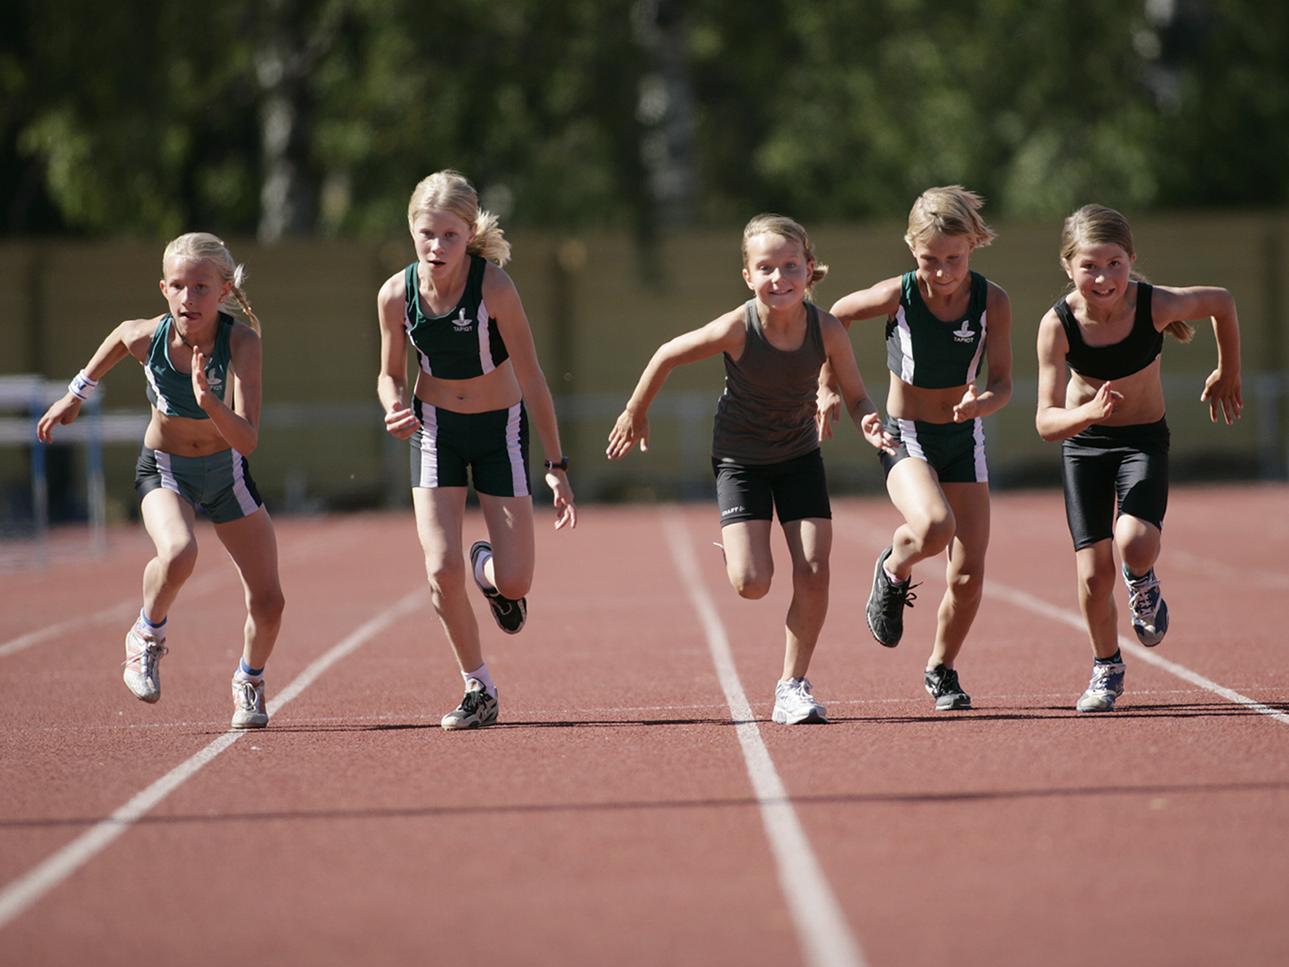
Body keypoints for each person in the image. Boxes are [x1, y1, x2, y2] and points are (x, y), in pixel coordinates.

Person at [607, 213, 892, 725]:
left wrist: (868, 419)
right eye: (766, 268)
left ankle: (793, 685)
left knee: (814, 570)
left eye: (789, 267)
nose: (778, 279)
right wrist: (635, 410)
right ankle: (740, 550)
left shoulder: (826, 329)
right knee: (752, 583)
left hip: (799, 457)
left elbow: (855, 393)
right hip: (741, 461)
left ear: (808, 269)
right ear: (748, 276)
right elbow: (667, 354)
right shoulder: (738, 327)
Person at [36, 233, 285, 729]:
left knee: (270, 600)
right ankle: (146, 635)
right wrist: (75, 394)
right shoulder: (147, 336)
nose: (188, 298)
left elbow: (248, 441)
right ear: (163, 289)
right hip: (165, 467)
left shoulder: (241, 343)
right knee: (178, 552)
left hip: (227, 471)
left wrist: (210, 400)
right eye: (177, 286)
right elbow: (116, 340)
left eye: (200, 286)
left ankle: (249, 680)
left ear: (223, 290)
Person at [377, 169, 576, 731]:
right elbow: (389, 374)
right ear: (411, 230)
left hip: (499, 431)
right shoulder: (396, 294)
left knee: (516, 584)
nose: (436, 247)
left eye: (450, 235)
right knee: (438, 570)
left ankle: (488, 569)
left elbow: (534, 377)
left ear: (469, 235)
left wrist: (556, 466)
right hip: (436, 430)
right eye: (426, 233)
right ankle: (478, 686)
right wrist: (393, 403)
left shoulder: (494, 289)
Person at [1035, 203, 1241, 712]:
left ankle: (1143, 582)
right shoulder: (1057, 325)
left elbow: (1221, 301)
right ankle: (1106, 667)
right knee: (1091, 574)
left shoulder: (1154, 306)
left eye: (1114, 264)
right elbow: (1045, 421)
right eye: (1089, 266)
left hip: (1143, 440)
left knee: (1135, 540)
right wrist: (1087, 414)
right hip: (1084, 446)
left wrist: (1228, 371)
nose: (1103, 278)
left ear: (1131, 260)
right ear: (1067, 265)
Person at [823, 186, 1012, 711]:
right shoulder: (899, 294)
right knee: (933, 526)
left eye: (954, 258)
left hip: (963, 437)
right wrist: (827, 386)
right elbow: (835, 314)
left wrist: (982, 404)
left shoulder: (992, 300)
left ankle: (942, 669)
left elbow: (1004, 384)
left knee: (969, 572)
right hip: (905, 433)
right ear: (911, 248)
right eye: (930, 259)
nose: (943, 271)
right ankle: (893, 568)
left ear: (973, 245)